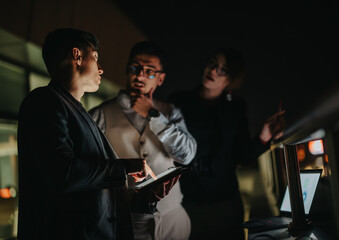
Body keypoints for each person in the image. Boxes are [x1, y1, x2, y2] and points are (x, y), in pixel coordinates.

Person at [17, 28, 150, 240]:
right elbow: (62, 173)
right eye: (95, 57)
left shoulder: (76, 111)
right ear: (77, 56)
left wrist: (144, 196)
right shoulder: (44, 101)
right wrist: (124, 168)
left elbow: (90, 187)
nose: (101, 69)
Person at [169, 47, 285, 240]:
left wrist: (263, 137)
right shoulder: (178, 101)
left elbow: (242, 155)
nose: (214, 70)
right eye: (212, 63)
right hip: (187, 200)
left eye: (223, 69)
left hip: (225, 199)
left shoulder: (236, 107)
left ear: (231, 80)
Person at [89, 41, 197, 240]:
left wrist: (153, 116)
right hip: (127, 223)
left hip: (173, 220)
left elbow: (187, 154)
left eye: (149, 71)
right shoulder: (99, 115)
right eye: (135, 68)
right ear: (127, 69)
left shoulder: (170, 112)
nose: (139, 75)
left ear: (161, 79)